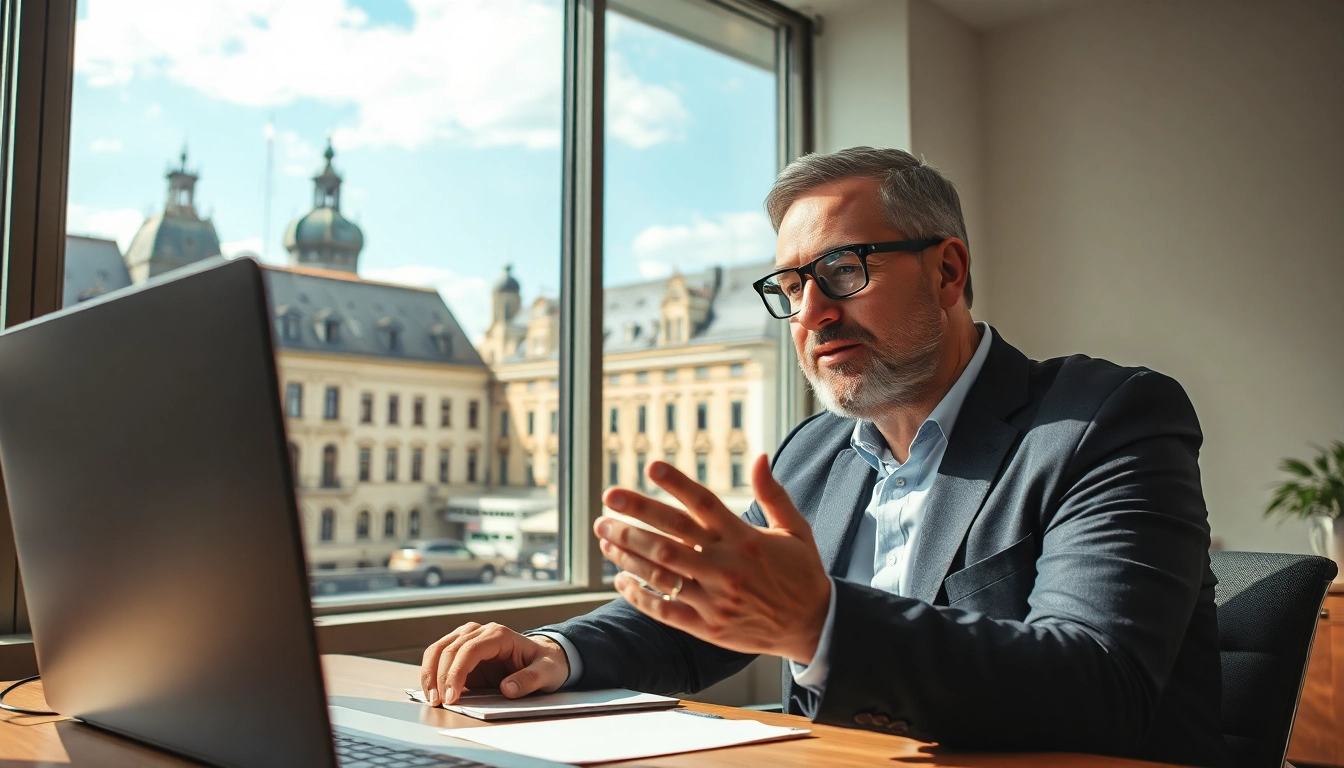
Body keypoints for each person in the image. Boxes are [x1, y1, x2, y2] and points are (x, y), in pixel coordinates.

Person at [419, 147, 1225, 767]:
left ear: (947, 271)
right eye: (791, 286)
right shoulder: (816, 451)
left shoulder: (1106, 420)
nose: (811, 312)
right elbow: (704, 619)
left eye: (843, 269)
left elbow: (1100, 685)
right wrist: (554, 654)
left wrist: (820, 621)